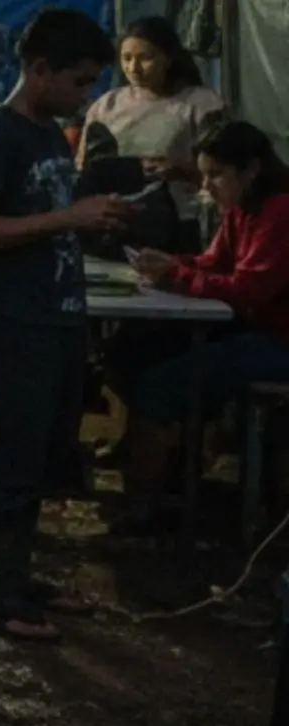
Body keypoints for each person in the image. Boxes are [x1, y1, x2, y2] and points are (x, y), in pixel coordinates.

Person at [0, 9, 135, 641]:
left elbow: (48, 216)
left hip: (58, 318)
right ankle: (0, 595)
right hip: (15, 321)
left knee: (46, 456)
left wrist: (94, 219)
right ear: (39, 70)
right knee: (13, 455)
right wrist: (66, 219)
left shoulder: (52, 135)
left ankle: (18, 574)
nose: (86, 94)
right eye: (79, 82)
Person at [118, 122, 289, 525]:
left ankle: (145, 504)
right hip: (256, 328)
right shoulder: (242, 208)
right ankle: (178, 469)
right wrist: (171, 263)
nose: (208, 185)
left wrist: (177, 275)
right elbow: (215, 263)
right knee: (133, 350)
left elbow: (249, 289)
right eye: (204, 175)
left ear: (251, 170)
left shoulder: (280, 211)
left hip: (279, 340)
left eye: (216, 175)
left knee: (160, 386)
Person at [80, 16, 224, 247]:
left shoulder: (201, 105)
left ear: (168, 58)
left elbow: (227, 172)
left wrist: (181, 170)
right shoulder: (106, 106)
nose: (134, 68)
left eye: (145, 58)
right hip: (114, 224)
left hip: (181, 226)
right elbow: (83, 168)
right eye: (127, 58)